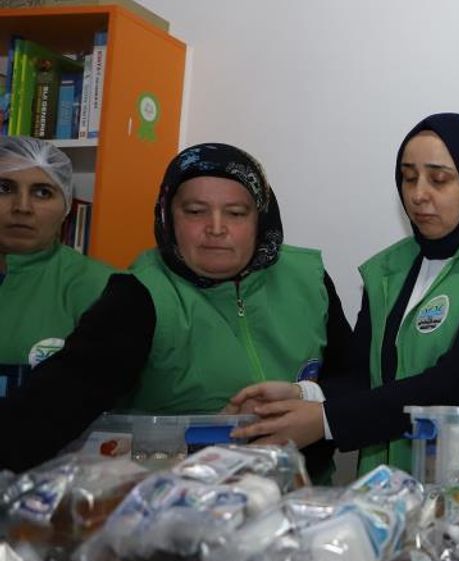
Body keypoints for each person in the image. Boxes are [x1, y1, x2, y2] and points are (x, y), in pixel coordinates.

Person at [227, 113, 459, 475]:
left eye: (439, 179)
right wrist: (302, 394)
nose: (418, 194)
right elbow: (365, 376)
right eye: (408, 177)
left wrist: (325, 421)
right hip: (392, 488)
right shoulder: (390, 268)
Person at [0, 143, 351, 473]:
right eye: (195, 212)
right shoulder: (140, 294)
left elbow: (357, 381)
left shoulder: (308, 278)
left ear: (260, 219)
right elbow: (56, 401)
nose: (216, 228)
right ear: (168, 217)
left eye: (236, 213)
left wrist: (307, 396)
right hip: (177, 498)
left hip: (306, 497)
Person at [0, 136, 114, 395]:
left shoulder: (104, 288)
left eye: (42, 192)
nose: (22, 207)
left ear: (66, 207)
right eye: (4, 188)